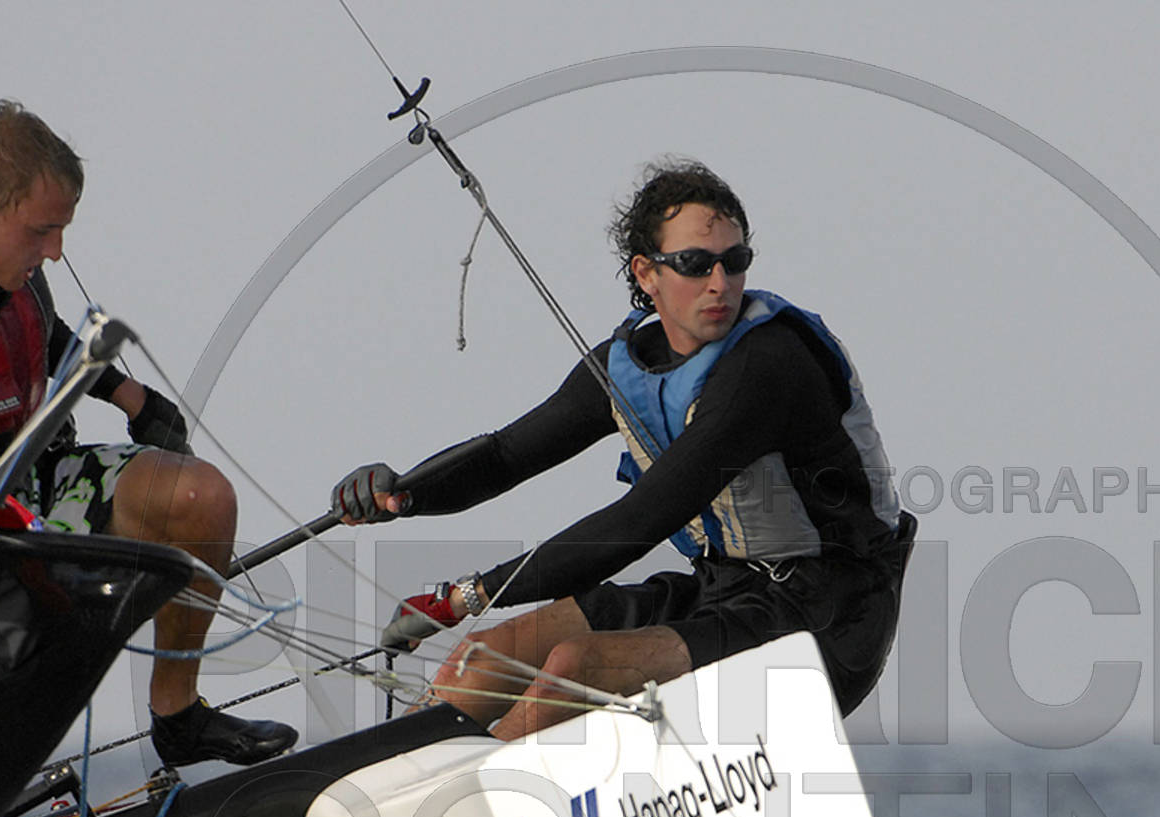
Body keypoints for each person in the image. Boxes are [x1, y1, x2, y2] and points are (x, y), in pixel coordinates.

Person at [330, 158, 913, 739]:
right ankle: (373, 776)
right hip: (724, 591)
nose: (720, 283)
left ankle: (467, 787)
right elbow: (506, 456)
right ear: (647, 272)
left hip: (830, 617)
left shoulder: (767, 366)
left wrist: (461, 597)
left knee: (576, 666)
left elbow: (639, 522)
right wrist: (402, 494)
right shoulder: (626, 366)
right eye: (696, 264)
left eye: (735, 262)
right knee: (486, 658)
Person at [0, 100, 296, 768]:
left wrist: (130, 396)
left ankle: (178, 718)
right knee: (38, 628)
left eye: (61, 231)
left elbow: (36, 333)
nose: (55, 251)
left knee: (202, 498)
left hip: (43, 476)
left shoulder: (5, 251)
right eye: (43, 233)